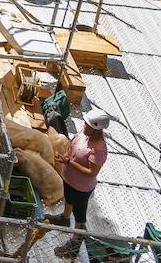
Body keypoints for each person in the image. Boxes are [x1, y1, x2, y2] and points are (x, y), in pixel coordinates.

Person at [55, 108, 110, 257]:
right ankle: (64, 218)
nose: (84, 126)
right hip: (69, 179)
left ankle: (74, 245)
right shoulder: (84, 134)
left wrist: (70, 162)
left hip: (81, 187)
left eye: (88, 125)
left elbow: (92, 172)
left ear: (97, 129)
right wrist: (65, 157)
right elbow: (73, 145)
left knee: (79, 216)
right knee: (68, 198)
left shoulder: (99, 150)